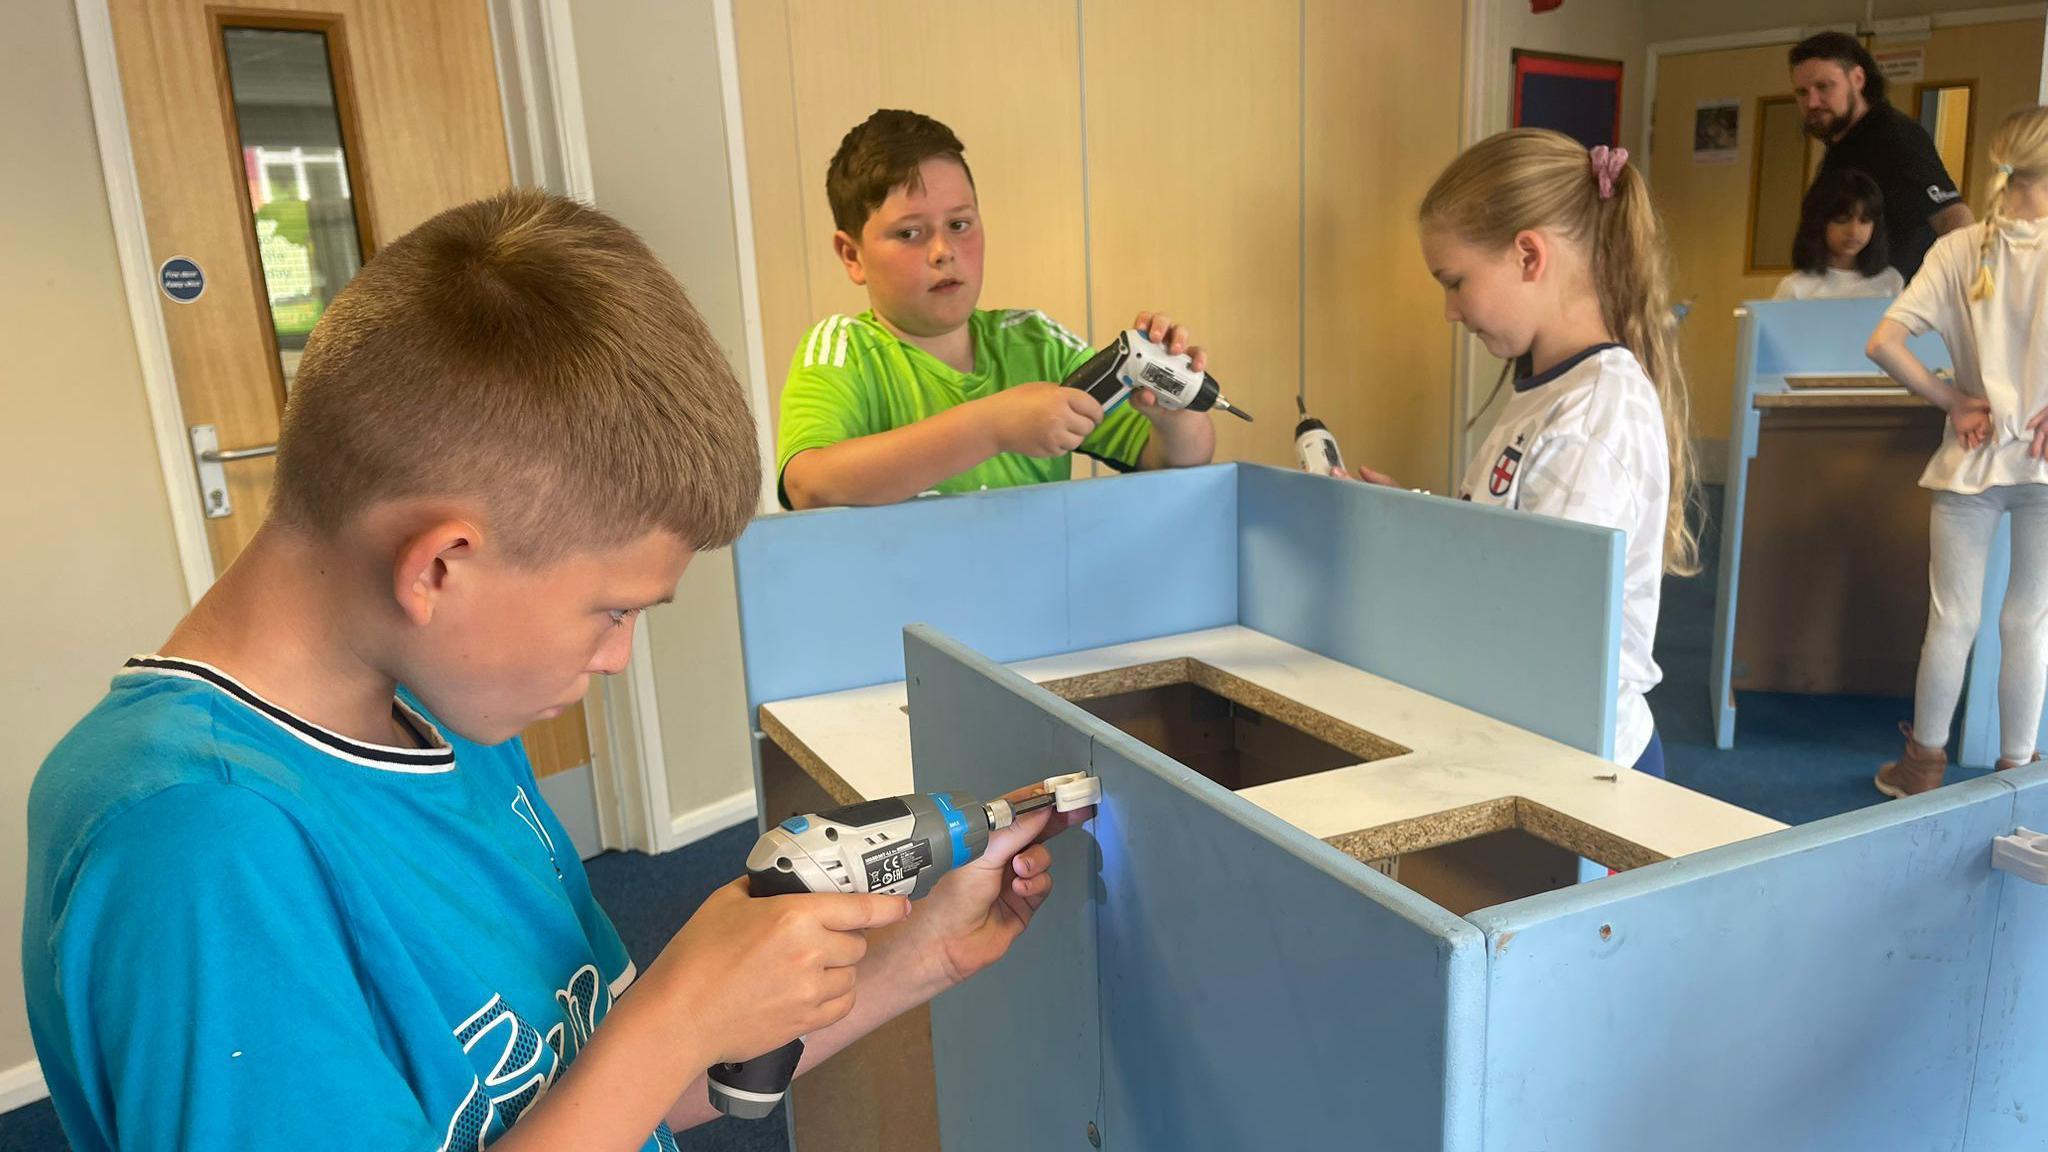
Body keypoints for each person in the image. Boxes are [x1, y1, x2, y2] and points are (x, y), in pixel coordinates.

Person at [21, 189, 1085, 1150]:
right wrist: (678, 1009)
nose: (616, 658)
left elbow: (590, 1101)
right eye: (610, 612)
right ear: (440, 563)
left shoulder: (444, 720)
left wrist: (913, 962)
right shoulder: (192, 845)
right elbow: (643, 1058)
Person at [1349, 131, 1699, 778]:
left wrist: (1403, 565)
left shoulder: (1594, 414)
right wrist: (1412, 520)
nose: (1450, 311)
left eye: (1454, 282)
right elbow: (1507, 543)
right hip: (1535, 742)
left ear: (1529, 256)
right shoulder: (1548, 385)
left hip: (1584, 770)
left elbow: (1539, 626)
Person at [775, 109, 1216, 510]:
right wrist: (992, 427)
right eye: (910, 233)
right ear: (852, 255)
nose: (943, 251)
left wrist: (1176, 420)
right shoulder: (842, 349)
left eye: (959, 224)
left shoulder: (1037, 342)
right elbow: (809, 485)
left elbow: (1175, 462)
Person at [1869, 107, 2048, 796]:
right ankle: (2017, 773)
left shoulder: (1957, 249)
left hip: (1968, 458)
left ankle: (1923, 767)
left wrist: (1951, 399)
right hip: (2040, 461)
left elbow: (1882, 342)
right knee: (2029, 618)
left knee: (1952, 619)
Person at [1791, 30, 1972, 280]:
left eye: (1824, 87)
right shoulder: (1840, 148)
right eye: (1802, 92)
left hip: (1901, 303)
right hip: (1845, 301)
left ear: (1857, 79)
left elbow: (1954, 217)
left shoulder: (1895, 137)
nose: (1812, 102)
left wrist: (1957, 295)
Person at [1773, 167, 1906, 299]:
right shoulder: (1795, 287)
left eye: (1865, 221)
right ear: (1819, 222)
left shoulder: (1891, 282)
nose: (1853, 231)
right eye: (1842, 220)